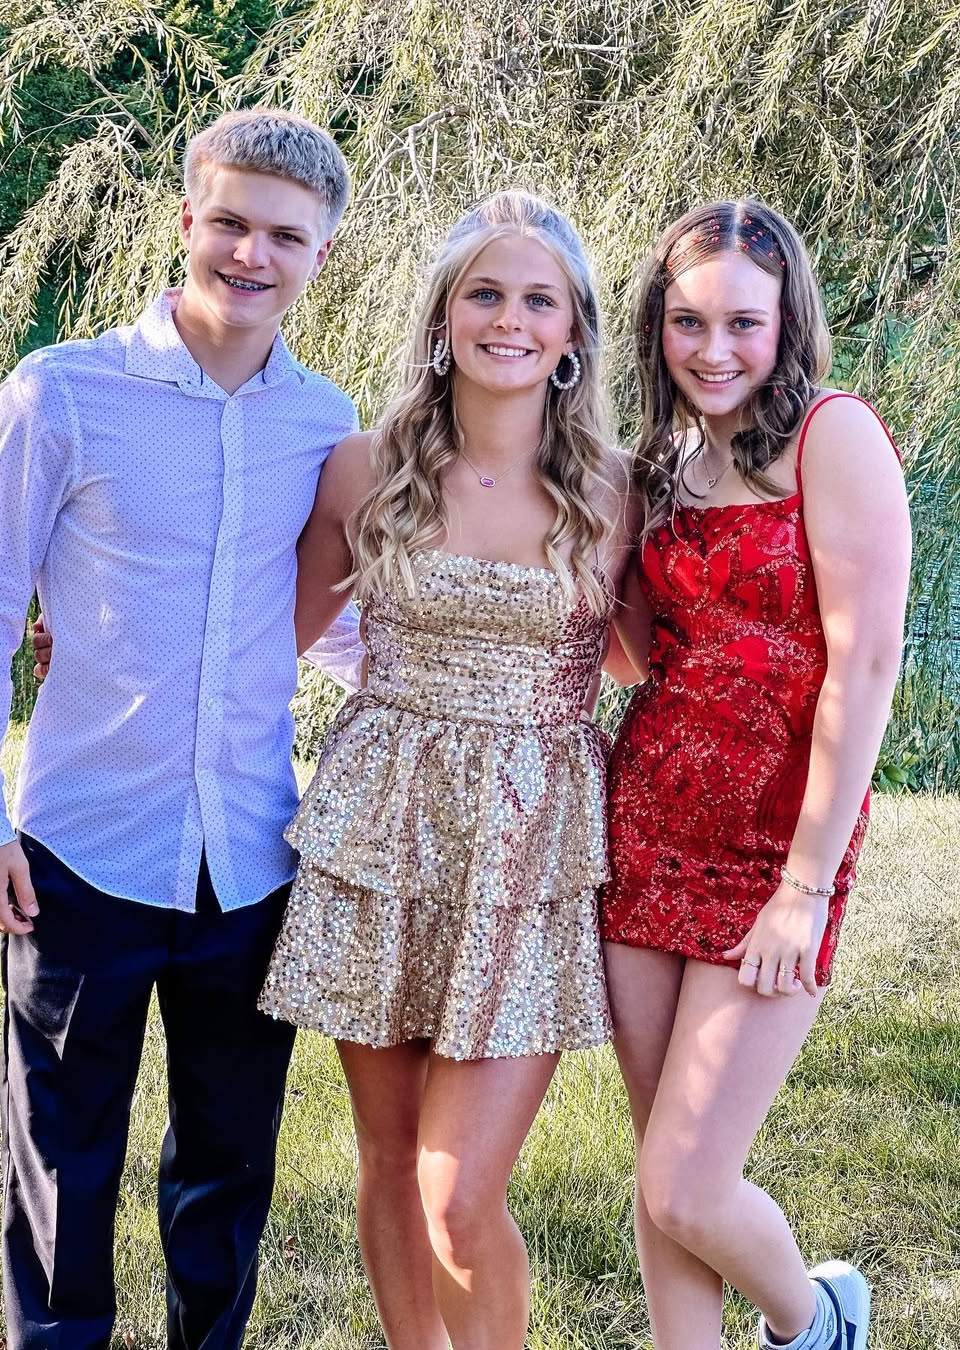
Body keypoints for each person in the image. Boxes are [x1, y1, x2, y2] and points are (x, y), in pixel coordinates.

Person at [0, 109, 365, 1349]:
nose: (251, 254)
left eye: (285, 236)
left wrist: (444, 676)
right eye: (229, 222)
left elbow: (318, 619)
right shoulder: (62, 392)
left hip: (252, 863)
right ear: (186, 221)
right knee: (64, 1162)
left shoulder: (324, 424)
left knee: (228, 1164)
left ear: (321, 253)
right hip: (80, 856)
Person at [256, 190, 634, 1349]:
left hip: (526, 850)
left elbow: (662, 664)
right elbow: (264, 642)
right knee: (387, 1156)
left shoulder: (617, 492)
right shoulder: (362, 468)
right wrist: (102, 638)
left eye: (538, 301)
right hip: (382, 829)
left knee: (459, 1193)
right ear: (442, 316)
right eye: (485, 294)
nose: (509, 321)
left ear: (573, 333)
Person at [601, 201, 910, 1350]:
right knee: (661, 1168)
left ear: (789, 322)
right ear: (657, 326)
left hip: (776, 850)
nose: (714, 348)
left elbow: (866, 664)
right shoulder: (661, 464)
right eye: (688, 321)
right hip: (645, 826)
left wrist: (806, 886)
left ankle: (817, 1321)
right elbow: (637, 655)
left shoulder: (833, 435)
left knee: (690, 1181)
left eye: (743, 321)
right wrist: (581, 544)